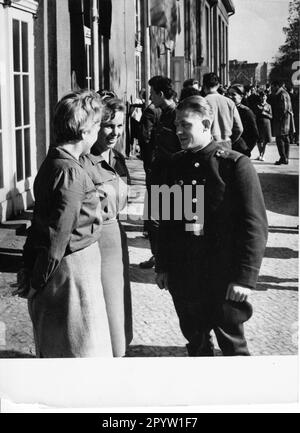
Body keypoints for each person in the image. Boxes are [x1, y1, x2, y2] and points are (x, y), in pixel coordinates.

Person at [155, 95, 268, 356]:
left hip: (223, 275)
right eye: (176, 126)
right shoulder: (173, 165)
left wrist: (244, 278)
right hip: (185, 276)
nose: (179, 131)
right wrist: (162, 265)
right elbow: (166, 222)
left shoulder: (234, 165)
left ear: (206, 124)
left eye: (186, 125)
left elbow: (255, 226)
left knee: (233, 347)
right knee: (196, 344)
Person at [14, 90, 113, 358]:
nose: (98, 133)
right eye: (96, 127)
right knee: (77, 348)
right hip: (71, 271)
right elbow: (56, 236)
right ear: (83, 132)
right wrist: (37, 281)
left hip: (72, 267)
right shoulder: (68, 171)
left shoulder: (60, 162)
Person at [81, 98, 133, 357]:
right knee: (96, 310)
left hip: (116, 242)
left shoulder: (118, 158)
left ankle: (120, 354)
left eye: (120, 126)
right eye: (109, 126)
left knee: (118, 307)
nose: (116, 132)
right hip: (91, 243)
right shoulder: (81, 162)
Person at [139, 75, 180, 269]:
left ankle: (170, 259)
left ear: (160, 94)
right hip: (160, 174)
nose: (150, 98)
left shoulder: (177, 115)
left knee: (166, 220)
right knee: (156, 220)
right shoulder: (164, 112)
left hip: (173, 177)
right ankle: (159, 257)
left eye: (152, 93)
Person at [203, 72, 243, 149]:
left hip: (209, 144)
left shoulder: (203, 102)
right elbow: (239, 128)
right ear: (218, 85)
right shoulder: (229, 102)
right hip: (226, 142)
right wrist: (231, 140)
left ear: (204, 86)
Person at [229, 84, 259, 157]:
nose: (230, 97)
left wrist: (246, 148)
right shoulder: (226, 110)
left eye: (233, 94)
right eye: (228, 94)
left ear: (241, 96)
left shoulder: (247, 112)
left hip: (240, 150)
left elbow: (255, 135)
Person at [270, 80, 294, 165]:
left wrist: (277, 118)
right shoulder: (285, 93)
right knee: (285, 139)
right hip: (286, 120)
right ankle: (286, 157)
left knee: (279, 139)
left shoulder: (281, 94)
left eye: (272, 86)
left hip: (282, 120)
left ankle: (283, 157)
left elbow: (283, 108)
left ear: (276, 86)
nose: (271, 88)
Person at [255, 91, 273, 161]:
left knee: (265, 140)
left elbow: (271, 116)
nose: (263, 98)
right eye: (262, 96)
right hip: (259, 123)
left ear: (266, 97)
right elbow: (255, 114)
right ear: (260, 97)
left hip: (266, 124)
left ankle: (262, 154)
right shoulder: (257, 105)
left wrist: (265, 113)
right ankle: (260, 154)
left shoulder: (269, 106)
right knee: (259, 140)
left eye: (264, 96)